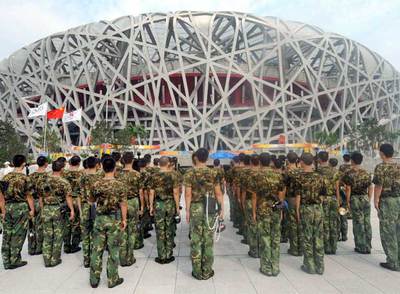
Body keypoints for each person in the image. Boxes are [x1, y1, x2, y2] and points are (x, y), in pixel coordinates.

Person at [184, 148, 224, 280]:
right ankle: (207, 270)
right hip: (210, 208)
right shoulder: (213, 173)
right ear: (207, 158)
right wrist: (222, 209)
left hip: (195, 207)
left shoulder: (189, 173)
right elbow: (219, 193)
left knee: (195, 239)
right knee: (208, 240)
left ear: (196, 158)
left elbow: (188, 194)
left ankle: (196, 271)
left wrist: (188, 211)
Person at [89, 157, 127, 288]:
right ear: (115, 168)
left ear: (103, 168)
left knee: (96, 250)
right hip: (114, 219)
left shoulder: (96, 184)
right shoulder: (120, 185)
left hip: (99, 219)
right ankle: (112, 279)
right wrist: (124, 219)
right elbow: (123, 204)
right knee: (113, 250)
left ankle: (94, 280)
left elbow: (91, 201)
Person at [251, 153, 284, 276]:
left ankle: (266, 267)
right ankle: (275, 267)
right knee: (275, 238)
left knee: (265, 238)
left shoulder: (256, 176)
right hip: (275, 209)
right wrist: (280, 210)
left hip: (262, 210)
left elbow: (254, 196)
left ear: (259, 161)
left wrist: (254, 212)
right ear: (270, 161)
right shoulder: (278, 175)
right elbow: (281, 195)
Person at [38, 160, 75, 267]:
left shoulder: (44, 181)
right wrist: (72, 210)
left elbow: (40, 198)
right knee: (58, 235)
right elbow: (68, 198)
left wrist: (42, 210)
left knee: (47, 235)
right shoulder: (64, 182)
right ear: (62, 169)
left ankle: (46, 259)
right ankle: (54, 259)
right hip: (58, 210)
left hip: (46, 209)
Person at [0, 155, 35, 269]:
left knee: (7, 234)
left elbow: (1, 196)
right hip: (20, 207)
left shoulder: (5, 178)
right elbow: (29, 196)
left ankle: (6, 260)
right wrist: (32, 210)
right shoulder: (25, 178)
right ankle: (15, 260)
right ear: (23, 164)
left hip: (8, 206)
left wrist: (3, 210)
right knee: (18, 234)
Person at [295, 153, 327, 275]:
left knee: (307, 237)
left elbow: (298, 196)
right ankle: (320, 266)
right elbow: (323, 195)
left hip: (305, 208)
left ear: (302, 162)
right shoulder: (320, 177)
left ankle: (310, 266)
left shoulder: (299, 177)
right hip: (318, 209)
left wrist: (297, 211)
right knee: (318, 237)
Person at [373, 143, 400, 271]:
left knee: (388, 231)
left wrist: (376, 200)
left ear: (382, 153)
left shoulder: (381, 167)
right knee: (398, 230)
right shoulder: (398, 166)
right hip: (399, 199)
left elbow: (379, 185)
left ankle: (393, 262)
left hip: (388, 201)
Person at [149, 156, 180, 264]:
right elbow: (176, 192)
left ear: (159, 164)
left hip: (158, 204)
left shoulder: (154, 175)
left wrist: (151, 206)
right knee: (169, 229)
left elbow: (151, 192)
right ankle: (168, 254)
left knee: (160, 230)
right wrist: (177, 208)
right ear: (168, 164)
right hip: (170, 203)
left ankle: (161, 256)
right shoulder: (173, 175)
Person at [342, 151, 372, 254]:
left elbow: (348, 189)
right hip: (365, 198)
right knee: (367, 222)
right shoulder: (366, 172)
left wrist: (348, 201)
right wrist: (369, 198)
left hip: (355, 198)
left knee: (358, 222)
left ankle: (360, 246)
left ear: (352, 160)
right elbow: (370, 187)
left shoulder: (349, 173)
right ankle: (368, 245)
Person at [117, 152, 142, 267]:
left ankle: (122, 257)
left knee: (122, 228)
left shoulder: (117, 174)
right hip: (133, 202)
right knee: (132, 230)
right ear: (132, 160)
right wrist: (142, 206)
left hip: (120, 202)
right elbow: (140, 192)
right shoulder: (137, 175)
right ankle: (129, 257)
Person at [79, 156, 102, 268]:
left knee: (85, 234)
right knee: (96, 233)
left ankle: (86, 259)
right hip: (96, 206)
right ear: (97, 164)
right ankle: (94, 258)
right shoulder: (100, 177)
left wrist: (79, 210)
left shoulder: (82, 177)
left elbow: (79, 195)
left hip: (84, 206)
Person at [317, 151, 340, 255]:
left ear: (319, 159)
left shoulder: (317, 171)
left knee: (324, 223)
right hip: (334, 198)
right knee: (333, 222)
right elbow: (337, 187)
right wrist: (338, 199)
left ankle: (326, 247)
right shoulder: (335, 171)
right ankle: (333, 246)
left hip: (323, 199)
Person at [28, 156, 49, 255]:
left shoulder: (31, 176)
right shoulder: (48, 176)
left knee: (32, 226)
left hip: (32, 201)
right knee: (40, 225)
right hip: (43, 202)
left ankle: (32, 247)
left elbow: (27, 192)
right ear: (45, 163)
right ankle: (39, 248)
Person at [62, 155, 83, 254]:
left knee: (66, 224)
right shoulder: (81, 174)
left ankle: (66, 245)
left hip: (66, 200)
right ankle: (74, 245)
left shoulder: (64, 173)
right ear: (79, 163)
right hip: (77, 200)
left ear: (70, 162)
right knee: (76, 224)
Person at [284, 151, 303, 256]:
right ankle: (302, 247)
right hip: (301, 199)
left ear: (287, 160)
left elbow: (283, 187)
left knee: (292, 224)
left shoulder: (287, 172)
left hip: (290, 199)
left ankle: (294, 248)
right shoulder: (302, 171)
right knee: (300, 223)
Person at [337, 154, 351, 241]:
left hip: (341, 194)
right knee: (344, 216)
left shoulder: (342, 167)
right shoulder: (352, 168)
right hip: (348, 194)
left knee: (339, 216)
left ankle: (338, 235)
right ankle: (344, 235)